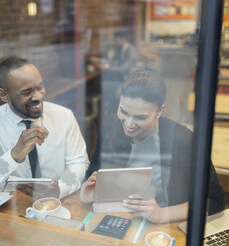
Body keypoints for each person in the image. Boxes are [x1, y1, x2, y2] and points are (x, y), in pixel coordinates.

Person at [80, 69, 225, 223]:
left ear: (160, 111)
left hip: (164, 227)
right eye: (123, 111)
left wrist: (162, 214)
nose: (129, 124)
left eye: (140, 117)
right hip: (117, 219)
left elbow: (215, 201)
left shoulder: (184, 140)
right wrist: (89, 191)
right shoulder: (111, 127)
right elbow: (94, 174)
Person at [0, 56, 89, 199]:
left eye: (40, 87)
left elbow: (78, 163)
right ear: (4, 95)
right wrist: (14, 155)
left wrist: (61, 187)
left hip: (59, 204)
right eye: (26, 92)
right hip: (13, 209)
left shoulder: (64, 116)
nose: (37, 96)